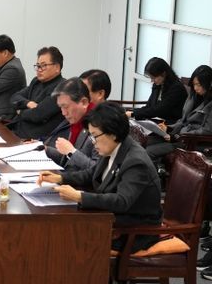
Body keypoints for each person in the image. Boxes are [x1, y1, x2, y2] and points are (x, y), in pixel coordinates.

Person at [38, 102, 162, 254]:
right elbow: (90, 174)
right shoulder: (113, 147)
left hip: (132, 232)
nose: (93, 142)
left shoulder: (136, 161)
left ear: (113, 133)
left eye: (95, 136)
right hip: (110, 219)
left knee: (66, 236)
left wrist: (80, 196)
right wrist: (60, 178)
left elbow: (122, 201)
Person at [145, 65, 212, 162]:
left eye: (199, 85)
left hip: (192, 141)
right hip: (180, 136)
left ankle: (155, 171)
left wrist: (177, 136)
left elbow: (206, 131)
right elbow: (183, 120)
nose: (195, 88)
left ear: (209, 84)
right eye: (194, 84)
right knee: (145, 141)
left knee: (149, 151)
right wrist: (169, 128)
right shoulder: (193, 96)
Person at [8, 46, 66, 139]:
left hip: (34, 139)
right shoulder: (36, 81)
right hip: (16, 130)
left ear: (57, 67)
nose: (39, 69)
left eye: (44, 65)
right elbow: (14, 97)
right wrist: (28, 103)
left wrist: (20, 111)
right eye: (38, 66)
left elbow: (38, 115)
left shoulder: (62, 88)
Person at [44, 77, 98, 171]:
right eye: (61, 107)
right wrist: (45, 149)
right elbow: (68, 160)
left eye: (66, 107)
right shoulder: (77, 122)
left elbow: (99, 170)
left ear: (84, 102)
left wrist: (71, 151)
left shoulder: (99, 125)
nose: (63, 113)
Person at [128, 57, 187, 123]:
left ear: (163, 74)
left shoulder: (176, 88)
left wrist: (133, 114)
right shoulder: (158, 85)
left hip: (171, 123)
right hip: (156, 120)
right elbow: (149, 106)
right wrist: (132, 111)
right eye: (151, 78)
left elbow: (159, 110)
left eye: (153, 78)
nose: (152, 80)